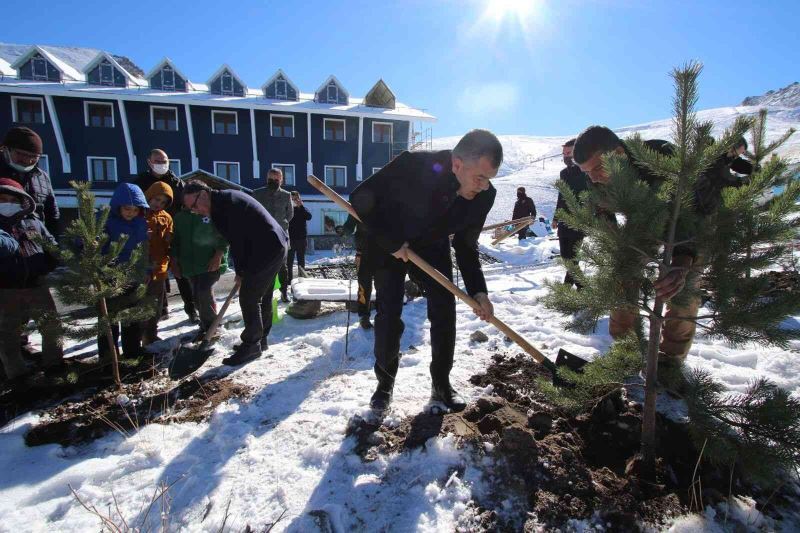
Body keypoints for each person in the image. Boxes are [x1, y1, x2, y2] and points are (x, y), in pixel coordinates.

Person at [350, 129, 502, 413]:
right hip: (388, 242)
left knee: (445, 309)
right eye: (479, 177)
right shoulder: (413, 165)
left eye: (489, 179)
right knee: (389, 314)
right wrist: (390, 241)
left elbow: (466, 247)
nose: (483, 186)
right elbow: (359, 198)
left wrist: (479, 292)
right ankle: (384, 384)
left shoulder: (484, 196)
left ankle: (441, 384)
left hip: (431, 247)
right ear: (457, 164)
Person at [573, 125, 701, 365]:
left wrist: (683, 259)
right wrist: (617, 245)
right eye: (586, 172)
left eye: (598, 168)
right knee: (623, 275)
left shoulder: (660, 158)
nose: (593, 177)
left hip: (695, 225)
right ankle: (626, 351)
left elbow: (690, 211)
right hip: (643, 223)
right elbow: (602, 212)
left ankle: (670, 361)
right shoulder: (594, 176)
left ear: (619, 153)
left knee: (683, 288)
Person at [182, 181, 288, 365]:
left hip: (268, 247)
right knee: (259, 295)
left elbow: (238, 242)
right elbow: (240, 240)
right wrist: (242, 270)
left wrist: (240, 272)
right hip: (270, 244)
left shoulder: (228, 205)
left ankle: (252, 345)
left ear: (204, 193)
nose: (195, 210)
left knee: (249, 297)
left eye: (194, 205)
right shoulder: (222, 202)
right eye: (191, 209)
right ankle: (259, 341)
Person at [0, 127, 61, 360]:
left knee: (47, 320)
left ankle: (48, 363)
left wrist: (51, 253)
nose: (26, 160)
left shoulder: (41, 177)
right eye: (21, 155)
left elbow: (52, 215)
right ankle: (12, 370)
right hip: (5, 267)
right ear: (6, 150)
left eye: (32, 157)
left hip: (35, 259)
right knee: (7, 323)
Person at [0, 178, 60, 380]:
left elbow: (51, 245)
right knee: (8, 335)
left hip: (37, 285)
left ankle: (54, 366)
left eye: (12, 199)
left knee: (51, 327)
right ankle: (17, 375)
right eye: (3, 198)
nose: (8, 203)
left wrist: (50, 262)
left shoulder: (33, 222)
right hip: (6, 289)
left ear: (22, 202)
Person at [134, 148, 196, 323]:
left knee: (180, 273)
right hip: (148, 236)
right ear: (149, 162)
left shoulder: (177, 183)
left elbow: (187, 206)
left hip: (173, 232)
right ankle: (155, 314)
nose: (162, 164)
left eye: (165, 161)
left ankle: (191, 308)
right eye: (158, 161)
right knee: (153, 275)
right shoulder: (141, 182)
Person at [98, 183, 149, 361]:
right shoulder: (105, 220)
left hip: (134, 276)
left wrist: (145, 270)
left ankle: (132, 354)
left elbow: (143, 249)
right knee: (109, 321)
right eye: (127, 209)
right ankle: (108, 359)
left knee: (132, 318)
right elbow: (94, 245)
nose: (131, 213)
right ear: (117, 206)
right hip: (110, 276)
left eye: (136, 209)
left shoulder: (141, 223)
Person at [170, 199, 229, 341]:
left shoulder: (210, 214)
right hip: (189, 265)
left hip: (210, 263)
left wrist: (218, 256)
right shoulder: (179, 218)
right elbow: (175, 242)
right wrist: (175, 263)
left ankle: (211, 329)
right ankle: (206, 324)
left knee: (203, 292)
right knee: (197, 295)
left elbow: (223, 237)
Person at [553, 138, 590, 288]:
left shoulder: (585, 172)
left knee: (572, 258)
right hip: (564, 221)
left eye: (569, 153)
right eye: (564, 153)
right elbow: (561, 196)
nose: (565, 156)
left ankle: (579, 288)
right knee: (565, 257)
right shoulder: (563, 173)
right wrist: (556, 217)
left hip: (579, 220)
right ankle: (576, 288)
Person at [253, 168, 293, 302]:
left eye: (276, 179)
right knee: (263, 266)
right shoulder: (257, 194)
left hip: (281, 236)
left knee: (283, 267)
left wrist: (281, 225)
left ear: (281, 180)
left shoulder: (286, 195)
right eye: (271, 179)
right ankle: (262, 294)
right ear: (266, 179)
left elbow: (290, 214)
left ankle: (284, 292)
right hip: (263, 237)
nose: (273, 181)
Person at [142, 182, 174, 345]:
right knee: (140, 304)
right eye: (156, 199)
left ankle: (151, 336)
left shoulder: (166, 217)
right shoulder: (138, 213)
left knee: (155, 304)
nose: (158, 204)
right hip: (140, 267)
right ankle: (136, 338)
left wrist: (169, 240)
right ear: (149, 196)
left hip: (159, 268)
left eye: (163, 202)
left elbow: (169, 238)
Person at [342, 214, 375, 329]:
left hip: (384, 252)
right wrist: (344, 230)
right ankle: (364, 316)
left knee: (383, 286)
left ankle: (384, 316)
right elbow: (349, 227)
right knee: (364, 286)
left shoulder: (385, 201)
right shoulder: (358, 205)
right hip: (363, 253)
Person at [287, 191, 311, 286]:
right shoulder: (287, 209)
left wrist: (301, 206)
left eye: (296, 199)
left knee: (301, 261)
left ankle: (301, 280)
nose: (295, 201)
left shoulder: (303, 209)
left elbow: (309, 217)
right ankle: (289, 281)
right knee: (289, 262)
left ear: (299, 199)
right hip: (290, 239)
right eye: (293, 199)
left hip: (301, 239)